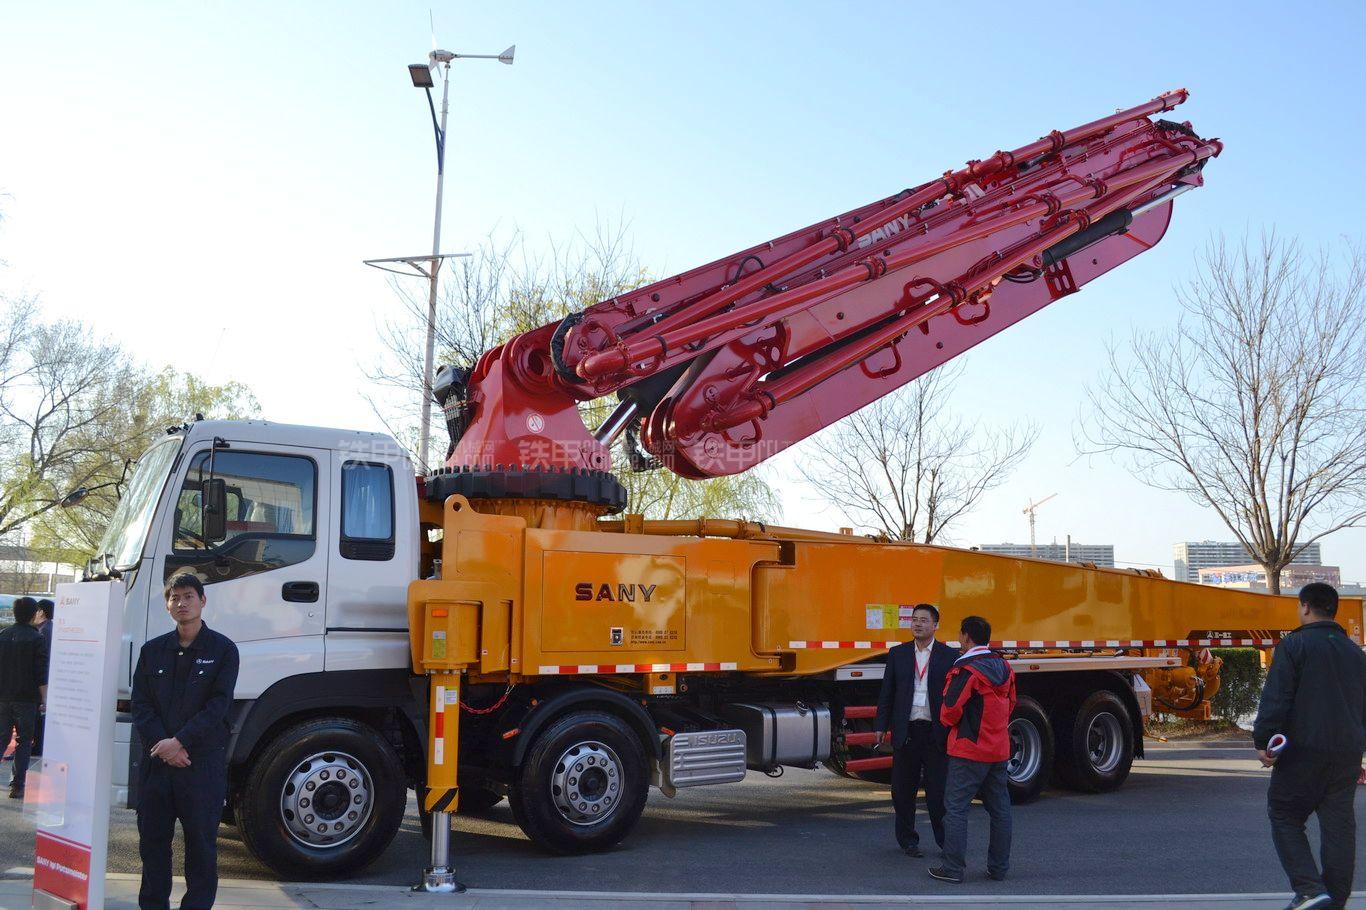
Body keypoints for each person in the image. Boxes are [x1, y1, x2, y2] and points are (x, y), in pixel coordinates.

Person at [1252, 582, 1366, 910]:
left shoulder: (1295, 645)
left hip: (1303, 751)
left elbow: (1277, 697)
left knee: (1284, 814)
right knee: (1339, 826)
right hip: (1346, 753)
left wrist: (1264, 741)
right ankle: (1334, 899)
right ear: (1334, 610)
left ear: (1304, 607)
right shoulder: (1354, 652)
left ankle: (1310, 891)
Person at [131, 573, 239, 910]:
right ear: (167, 604)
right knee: (152, 846)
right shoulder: (152, 651)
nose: (181, 603)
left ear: (202, 601)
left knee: (202, 847)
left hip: (199, 765)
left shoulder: (223, 650)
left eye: (188, 596)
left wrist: (180, 742)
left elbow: (218, 706)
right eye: (174, 597)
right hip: (158, 765)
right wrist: (164, 745)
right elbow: (141, 705)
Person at [930, 615, 1016, 885]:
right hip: (998, 749)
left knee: (956, 809)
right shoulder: (1004, 666)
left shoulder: (966, 669)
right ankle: (999, 869)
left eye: (960, 635)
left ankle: (952, 869)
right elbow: (1012, 703)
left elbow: (950, 711)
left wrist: (951, 725)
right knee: (1000, 810)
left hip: (968, 750)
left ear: (966, 637)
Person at [874, 603, 956, 856]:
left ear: (935, 625)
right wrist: (881, 725)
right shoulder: (898, 654)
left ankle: (946, 842)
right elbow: (887, 692)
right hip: (906, 730)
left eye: (923, 620)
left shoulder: (949, 656)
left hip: (935, 732)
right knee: (902, 791)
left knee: (937, 793)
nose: (917, 624)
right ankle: (908, 840)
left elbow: (954, 696)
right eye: (914, 619)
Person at [0, 596, 49, 798]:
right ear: (32, 614)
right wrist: (46, 699)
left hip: (2, 697)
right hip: (27, 699)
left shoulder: (3, 634)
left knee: (1, 738)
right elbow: (41, 672)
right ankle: (17, 785)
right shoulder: (37, 639)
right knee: (24, 741)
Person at [31, 598, 53, 757]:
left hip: (43, 679)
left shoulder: (44, 631)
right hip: (47, 678)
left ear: (42, 612)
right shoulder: (48, 628)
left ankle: (38, 746)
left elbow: (42, 659)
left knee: (39, 716)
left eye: (37, 611)